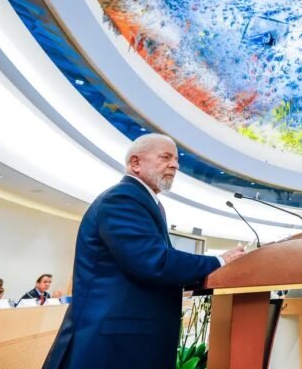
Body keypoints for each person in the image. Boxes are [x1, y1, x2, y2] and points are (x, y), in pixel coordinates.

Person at [43, 134, 246, 369]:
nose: (175, 165)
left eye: (176, 160)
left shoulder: (144, 202)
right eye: (166, 157)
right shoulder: (123, 198)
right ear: (136, 163)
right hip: (111, 346)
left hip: (125, 343)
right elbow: (154, 262)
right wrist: (220, 261)